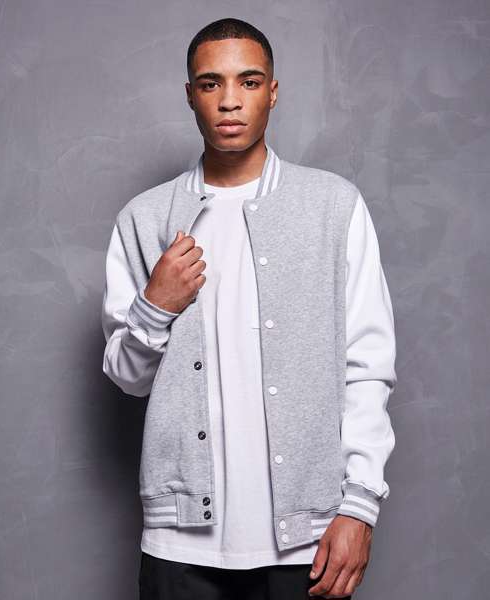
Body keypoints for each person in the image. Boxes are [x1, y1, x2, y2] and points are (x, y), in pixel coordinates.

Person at [101, 17, 397, 600]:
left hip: (307, 540)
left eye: (250, 81)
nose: (230, 100)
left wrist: (360, 506)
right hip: (179, 544)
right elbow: (127, 377)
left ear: (273, 91)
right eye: (210, 83)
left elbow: (368, 365)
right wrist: (155, 305)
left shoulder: (333, 207)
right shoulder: (144, 217)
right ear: (190, 95)